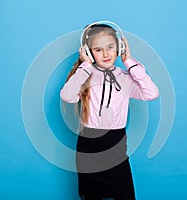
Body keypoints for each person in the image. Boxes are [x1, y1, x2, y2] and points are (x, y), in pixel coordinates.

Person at [60, 22, 159, 200]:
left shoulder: (125, 78)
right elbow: (68, 96)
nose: (105, 54)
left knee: (123, 193)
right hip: (88, 145)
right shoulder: (86, 75)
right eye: (98, 50)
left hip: (116, 144)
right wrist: (85, 66)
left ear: (119, 47)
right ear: (89, 52)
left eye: (110, 47)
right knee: (92, 195)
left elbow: (151, 93)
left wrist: (129, 61)